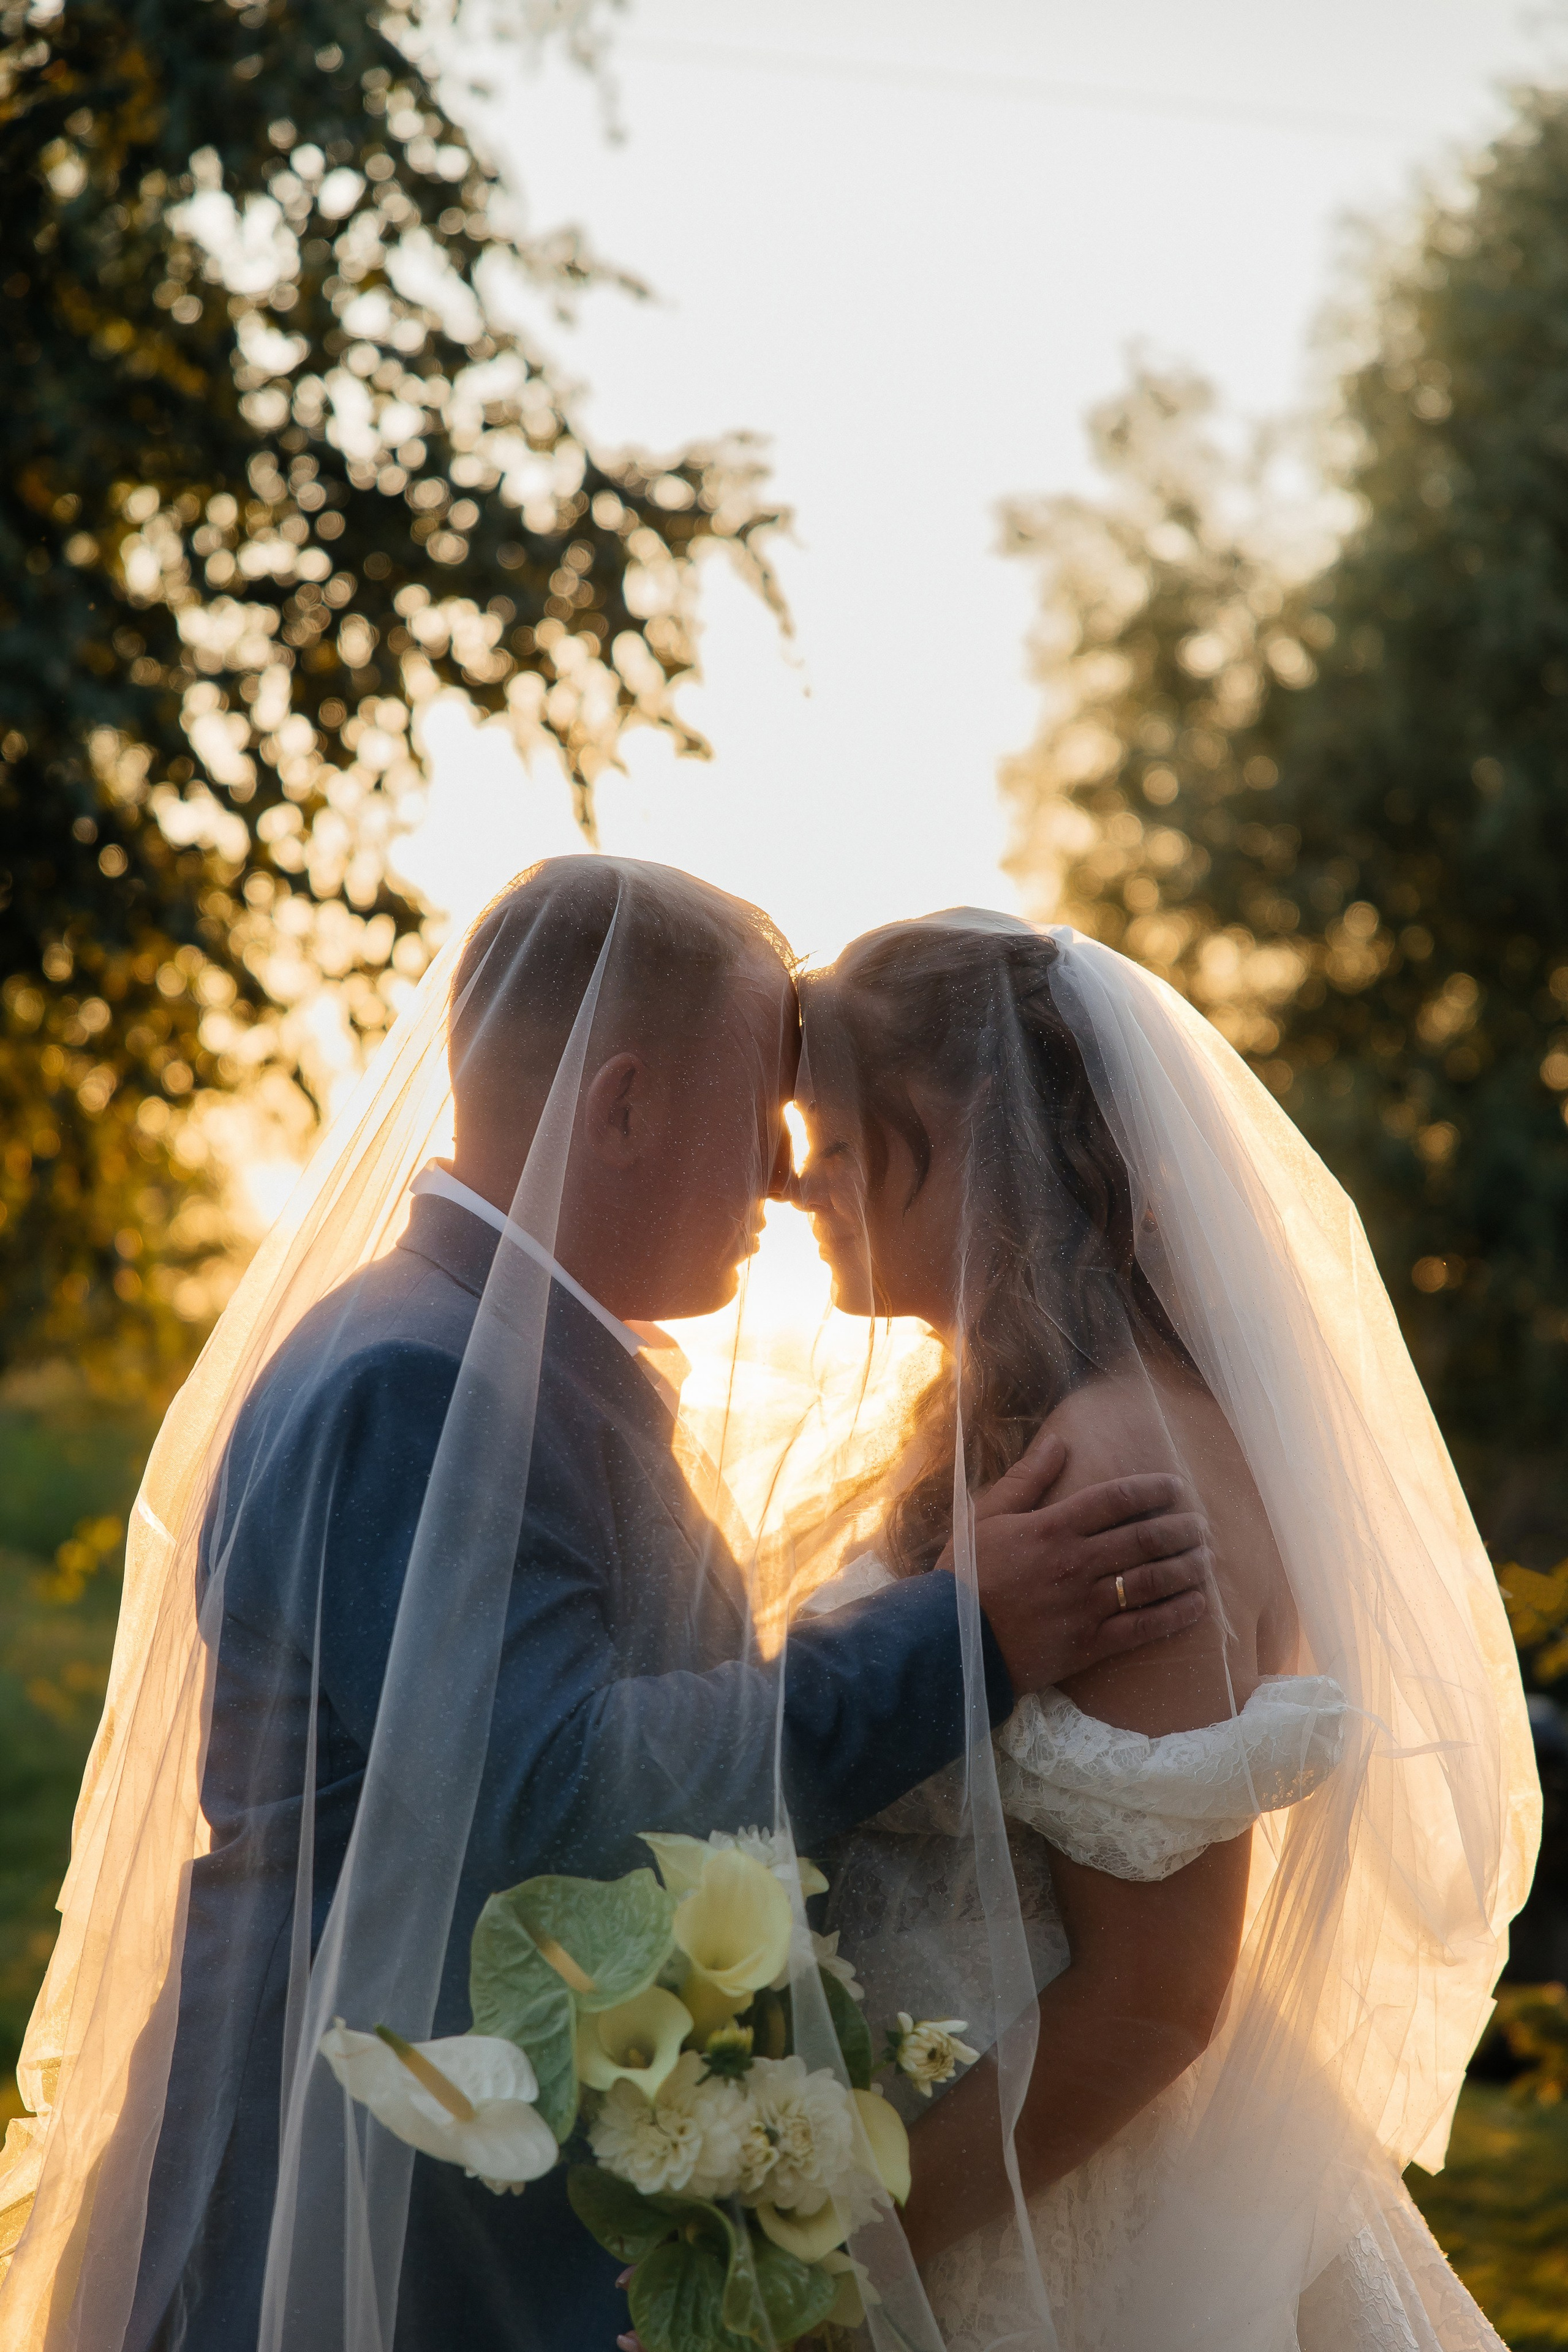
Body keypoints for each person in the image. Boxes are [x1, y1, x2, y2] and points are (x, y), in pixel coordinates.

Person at [0, 862, 1210, 2352]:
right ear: (623, 1105)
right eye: (760, 1117)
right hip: (400, 2218)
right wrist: (965, 1637)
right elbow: (548, 1786)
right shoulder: (422, 1384)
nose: (781, 1175)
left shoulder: (480, 1352)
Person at [790, 910, 1539, 2351]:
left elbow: (1153, 1998)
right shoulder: (1031, 1424)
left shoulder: (1122, 1461)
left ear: (966, 1130)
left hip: (1046, 2230)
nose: (799, 1182)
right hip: (988, 2170)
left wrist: (837, 2263)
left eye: (833, 1137)